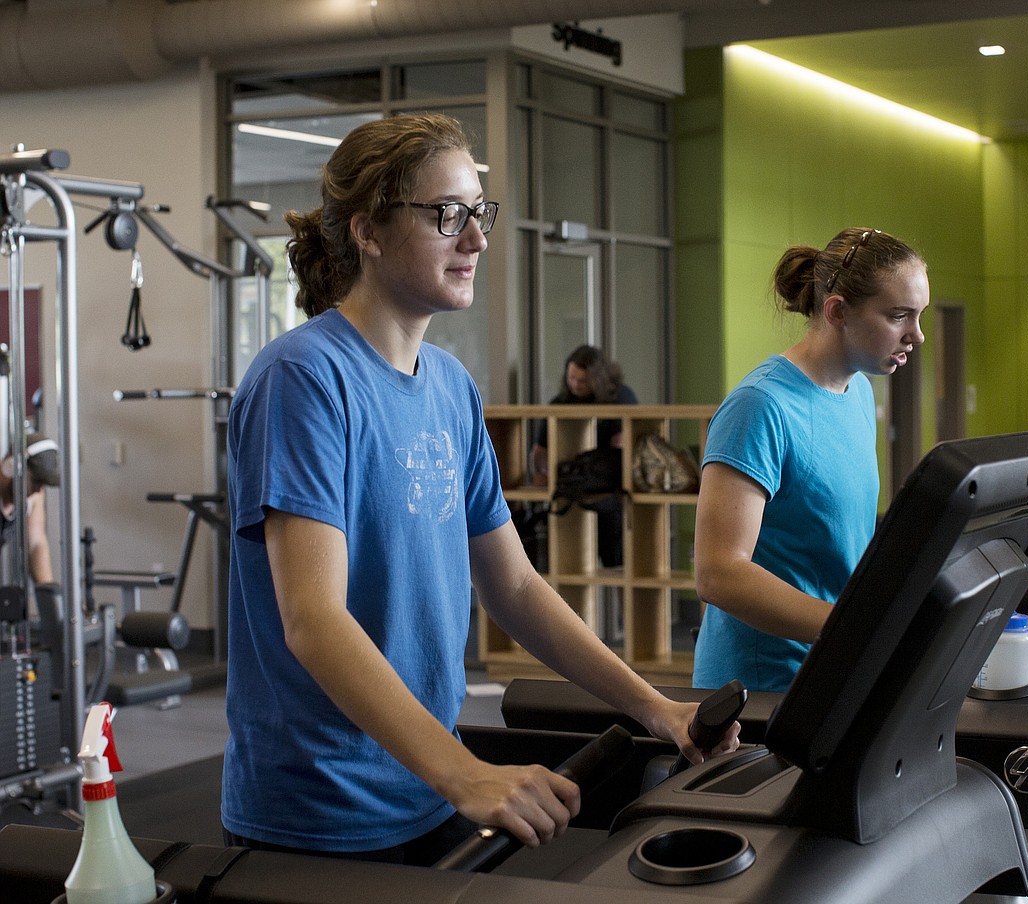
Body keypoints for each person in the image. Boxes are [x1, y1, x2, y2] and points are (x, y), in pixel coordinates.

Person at [221, 113, 738, 865]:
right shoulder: (303, 378)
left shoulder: (451, 388)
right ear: (368, 231)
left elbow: (515, 587)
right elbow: (314, 620)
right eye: (447, 215)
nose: (477, 239)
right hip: (322, 813)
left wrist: (657, 709)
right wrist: (465, 773)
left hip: (425, 789)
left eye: (478, 212)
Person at [692, 228, 929, 693]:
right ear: (837, 311)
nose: (916, 335)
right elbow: (719, 574)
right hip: (761, 689)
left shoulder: (858, 390)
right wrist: (854, 628)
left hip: (833, 669)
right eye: (899, 316)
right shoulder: (759, 407)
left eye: (918, 316)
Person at [529, 345, 637, 567]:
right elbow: (540, 450)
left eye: (583, 381)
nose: (576, 385)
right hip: (572, 494)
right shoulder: (560, 403)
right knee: (568, 564)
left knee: (618, 565)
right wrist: (539, 473)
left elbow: (623, 444)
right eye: (572, 378)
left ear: (598, 380)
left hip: (611, 493)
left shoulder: (620, 398)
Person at [0, 431, 59, 585]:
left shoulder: (34, 496)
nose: (38, 490)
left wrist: (49, 595)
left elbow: (36, 544)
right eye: (36, 482)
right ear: (11, 467)